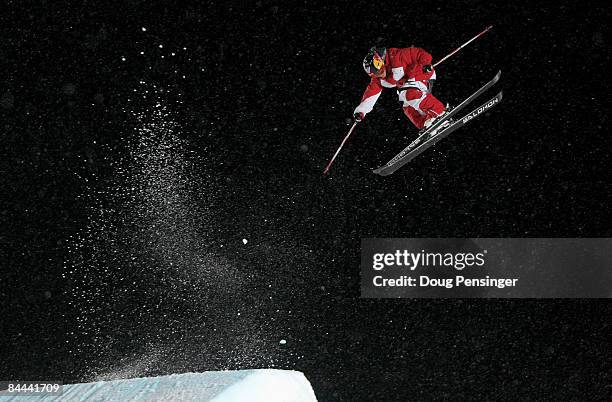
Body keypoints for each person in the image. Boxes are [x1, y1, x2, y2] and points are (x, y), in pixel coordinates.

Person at [354, 46, 449, 133]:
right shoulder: (379, 79)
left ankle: (439, 111)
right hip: (408, 84)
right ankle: (427, 123)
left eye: (379, 70)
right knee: (405, 105)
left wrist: (425, 64)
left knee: (408, 94)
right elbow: (371, 94)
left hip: (421, 74)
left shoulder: (398, 56)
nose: (380, 74)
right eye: (375, 74)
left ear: (381, 62)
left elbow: (419, 53)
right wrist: (361, 111)